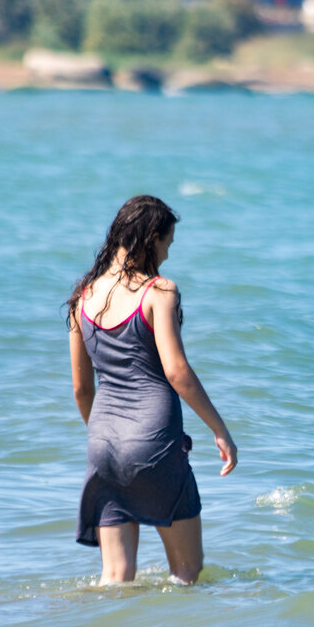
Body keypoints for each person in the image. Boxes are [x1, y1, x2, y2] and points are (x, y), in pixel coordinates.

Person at [67, 195, 238, 585]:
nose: (165, 257)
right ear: (151, 239)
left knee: (115, 578)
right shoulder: (159, 292)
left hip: (104, 444)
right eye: (166, 245)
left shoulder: (83, 297)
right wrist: (220, 430)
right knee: (187, 573)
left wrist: (106, 435)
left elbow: (81, 389)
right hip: (156, 441)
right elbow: (176, 371)